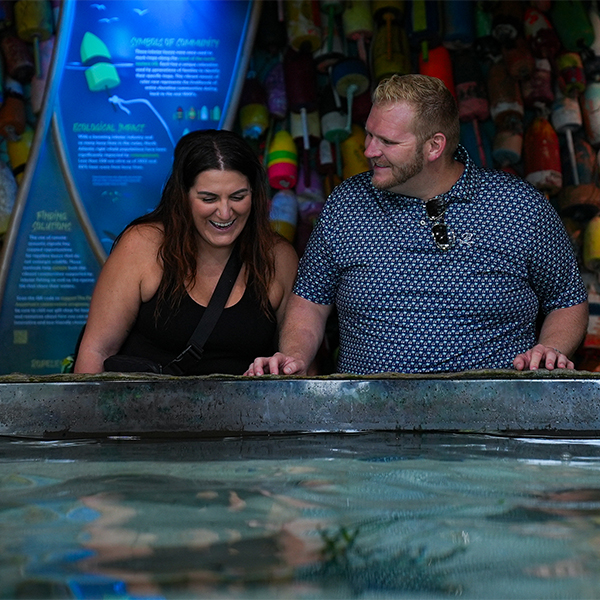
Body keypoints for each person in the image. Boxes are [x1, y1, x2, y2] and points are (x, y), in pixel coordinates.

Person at [246, 74, 589, 376]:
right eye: (369, 135)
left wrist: (552, 350)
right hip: (368, 423)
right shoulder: (347, 203)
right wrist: (293, 357)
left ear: (434, 146)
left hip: (492, 422)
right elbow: (310, 300)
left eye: (388, 142)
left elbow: (567, 298)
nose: (368, 150)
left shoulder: (518, 206)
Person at [75, 129, 298, 375]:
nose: (225, 213)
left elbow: (298, 365)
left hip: (245, 413)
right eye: (208, 198)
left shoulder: (278, 257)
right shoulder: (143, 245)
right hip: (142, 410)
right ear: (183, 197)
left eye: (237, 196)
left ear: (254, 195)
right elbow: (96, 352)